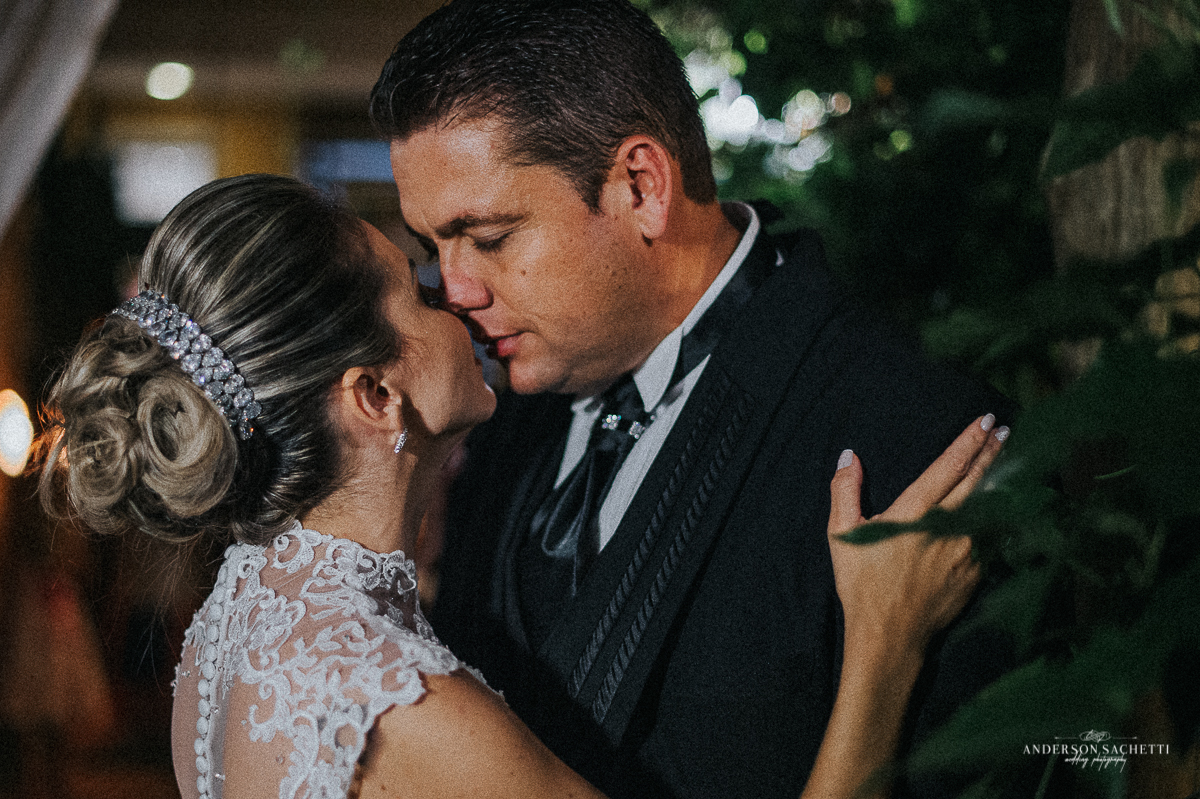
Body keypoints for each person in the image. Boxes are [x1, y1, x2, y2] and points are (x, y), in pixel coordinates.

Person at [37, 173, 1002, 799]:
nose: (457, 294)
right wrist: (884, 641)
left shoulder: (231, 632)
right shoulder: (399, 704)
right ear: (377, 396)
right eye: (416, 289)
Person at [369, 1, 1017, 797]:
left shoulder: (911, 431)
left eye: (491, 237)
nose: (457, 288)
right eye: (434, 245)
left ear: (641, 187)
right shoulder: (500, 420)